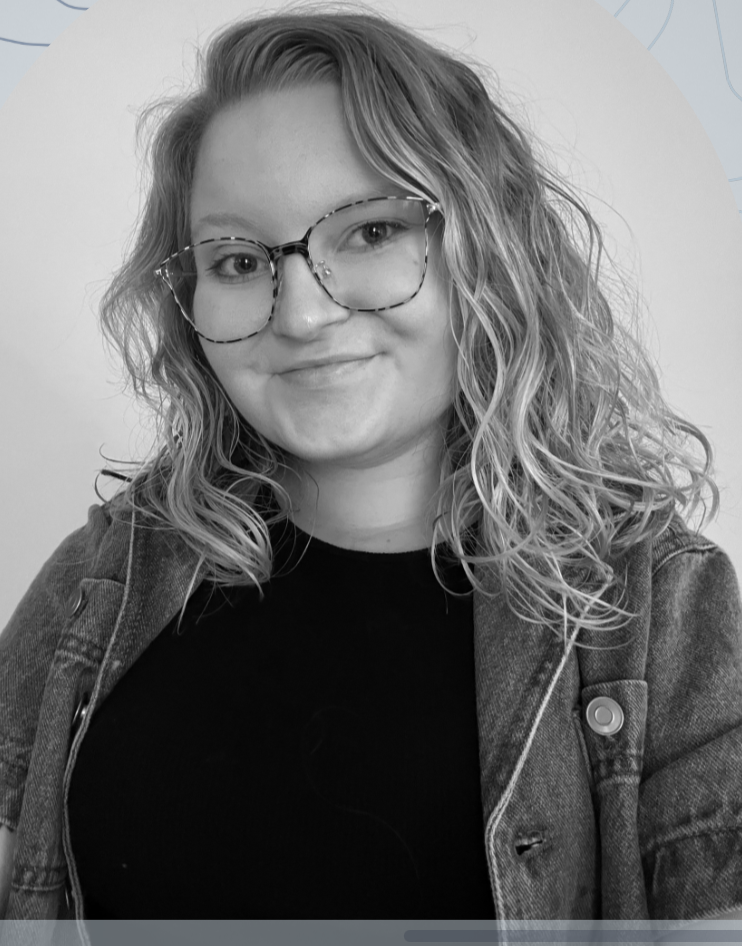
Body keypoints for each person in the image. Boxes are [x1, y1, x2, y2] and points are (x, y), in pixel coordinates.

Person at [1, 0, 741, 929]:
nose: (302, 314)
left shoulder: (657, 614)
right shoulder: (103, 575)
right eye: (237, 258)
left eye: (370, 231)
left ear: (487, 250)